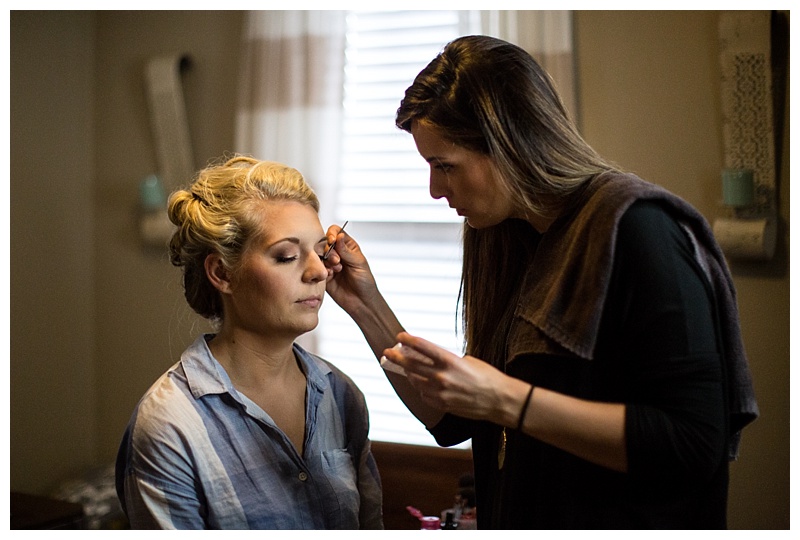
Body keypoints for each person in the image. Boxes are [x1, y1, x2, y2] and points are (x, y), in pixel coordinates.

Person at [322, 35, 758, 529]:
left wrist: (505, 398)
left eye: (445, 166)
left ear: (509, 143)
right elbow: (449, 421)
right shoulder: (509, 238)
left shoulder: (637, 229)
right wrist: (366, 305)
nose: (435, 190)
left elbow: (693, 444)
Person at [115, 156, 383, 529]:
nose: (319, 271)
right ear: (222, 273)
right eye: (286, 255)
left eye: (321, 252)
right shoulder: (171, 425)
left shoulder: (341, 396)